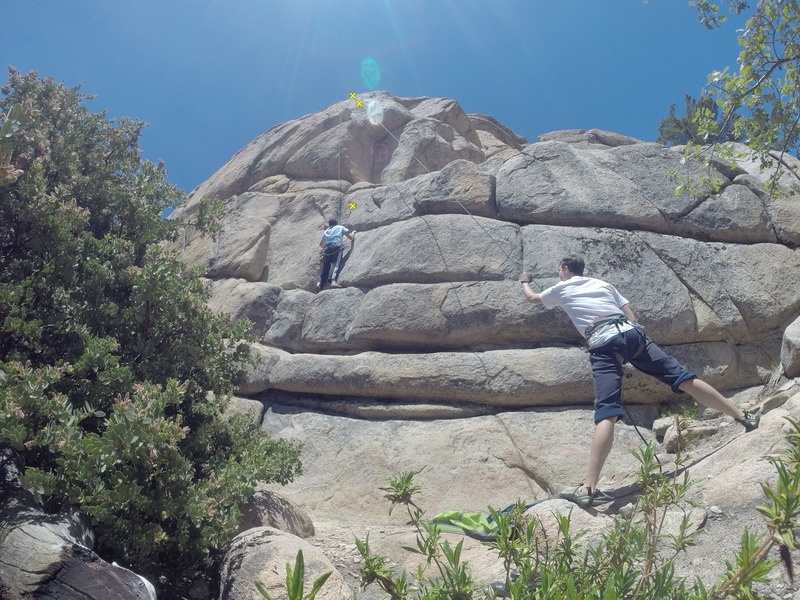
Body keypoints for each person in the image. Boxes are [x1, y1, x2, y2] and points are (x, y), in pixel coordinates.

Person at [521, 254, 760, 508]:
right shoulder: (603, 284)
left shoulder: (561, 288)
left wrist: (524, 281)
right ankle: (743, 415)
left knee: (607, 412)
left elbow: (533, 298)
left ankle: (588, 488)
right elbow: (631, 316)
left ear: (566, 269)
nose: (560, 274)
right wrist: (633, 347)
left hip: (603, 343)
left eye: (560, 270)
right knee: (683, 378)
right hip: (632, 333)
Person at [318, 219, 356, 290]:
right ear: (336, 223)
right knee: (335, 264)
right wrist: (353, 232)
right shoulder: (340, 227)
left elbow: (320, 244)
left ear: (330, 225)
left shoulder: (326, 231)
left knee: (326, 267)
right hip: (336, 248)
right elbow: (351, 237)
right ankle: (333, 282)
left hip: (326, 250)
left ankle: (320, 283)